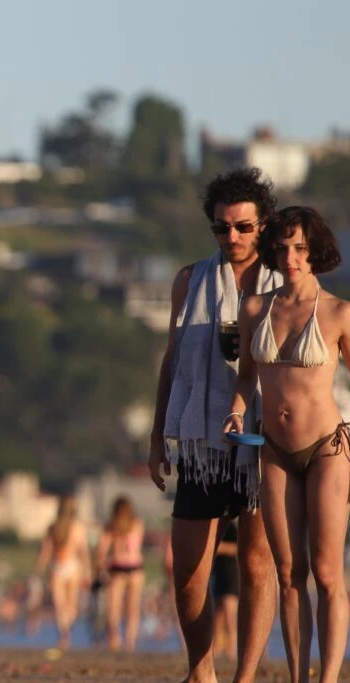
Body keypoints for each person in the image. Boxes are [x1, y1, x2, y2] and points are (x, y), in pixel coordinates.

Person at [148, 167, 279, 683]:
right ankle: (202, 672)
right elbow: (173, 358)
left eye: (243, 227)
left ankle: (245, 676)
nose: (232, 238)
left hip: (263, 441)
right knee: (187, 576)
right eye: (222, 228)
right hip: (202, 440)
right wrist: (158, 434)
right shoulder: (191, 281)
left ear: (262, 226)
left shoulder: (284, 285)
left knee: (256, 566)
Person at [224, 205, 350, 683]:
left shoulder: (339, 312)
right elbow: (247, 376)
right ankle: (299, 676)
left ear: (315, 249)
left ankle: (330, 677)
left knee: (326, 570)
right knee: (288, 572)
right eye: (281, 248)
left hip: (327, 449)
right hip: (272, 448)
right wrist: (235, 413)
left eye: (299, 248)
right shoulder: (256, 308)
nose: (290, 257)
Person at [34, 494, 90, 649]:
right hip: (73, 566)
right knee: (70, 605)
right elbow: (83, 552)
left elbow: (46, 551)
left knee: (59, 605)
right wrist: (88, 571)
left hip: (57, 566)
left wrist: (38, 568)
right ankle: (66, 632)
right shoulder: (78, 527)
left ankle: (64, 633)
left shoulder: (53, 526)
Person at [94, 496, 145, 652]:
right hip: (136, 567)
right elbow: (137, 546)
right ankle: (130, 640)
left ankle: (115, 638)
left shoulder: (111, 527)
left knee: (114, 607)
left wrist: (101, 566)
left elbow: (101, 552)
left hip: (117, 568)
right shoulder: (137, 524)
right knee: (133, 608)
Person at [211, 520, 239, 661]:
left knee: (230, 616)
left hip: (232, 576)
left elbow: (238, 548)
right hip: (219, 576)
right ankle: (215, 650)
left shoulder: (230, 528)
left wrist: (217, 547)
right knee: (217, 616)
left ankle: (232, 651)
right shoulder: (216, 527)